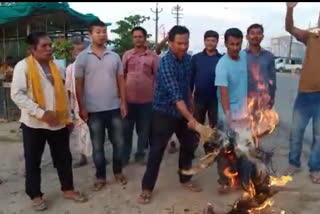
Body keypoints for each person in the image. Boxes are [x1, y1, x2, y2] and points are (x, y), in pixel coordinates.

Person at [11, 31, 87, 211]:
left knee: (64, 158)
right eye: (44, 46)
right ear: (32, 49)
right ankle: (35, 195)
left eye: (50, 45)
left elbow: (64, 94)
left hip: (59, 121)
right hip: (34, 123)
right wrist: (41, 112)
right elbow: (16, 94)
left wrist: (68, 118)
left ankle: (68, 189)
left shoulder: (57, 67)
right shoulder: (23, 67)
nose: (49, 49)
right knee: (33, 161)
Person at [137, 25, 203, 205]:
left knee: (189, 145)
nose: (184, 46)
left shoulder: (189, 61)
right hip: (163, 112)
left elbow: (188, 88)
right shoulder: (165, 63)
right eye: (180, 43)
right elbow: (175, 96)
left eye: (186, 43)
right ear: (171, 42)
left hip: (183, 111)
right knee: (157, 151)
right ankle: (147, 188)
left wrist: (192, 111)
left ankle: (185, 178)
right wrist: (192, 120)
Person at [75, 20, 127, 191]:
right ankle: (100, 177)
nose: (102, 34)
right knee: (98, 146)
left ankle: (118, 171)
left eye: (104, 31)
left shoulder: (114, 56)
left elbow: (121, 80)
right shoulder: (82, 58)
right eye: (98, 31)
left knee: (119, 142)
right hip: (93, 110)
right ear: (90, 34)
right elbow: (78, 85)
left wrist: (123, 102)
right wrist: (82, 107)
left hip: (114, 107)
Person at [285, 2, 320, 184]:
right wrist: (290, 8)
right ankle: (293, 163)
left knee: (319, 136)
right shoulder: (311, 37)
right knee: (296, 131)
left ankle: (315, 169)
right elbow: (289, 27)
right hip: (305, 94)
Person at [215, 28, 248, 193]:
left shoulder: (244, 57)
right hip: (227, 115)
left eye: (238, 44)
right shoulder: (222, 65)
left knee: (243, 149)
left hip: (244, 114)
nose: (235, 48)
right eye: (231, 44)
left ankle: (242, 179)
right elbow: (223, 93)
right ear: (226, 44)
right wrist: (229, 118)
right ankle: (223, 181)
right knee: (225, 149)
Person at [122, 27, 159, 166]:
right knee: (126, 130)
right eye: (135, 37)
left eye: (140, 36)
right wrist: (121, 98)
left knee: (143, 130)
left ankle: (140, 155)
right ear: (132, 39)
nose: (138, 39)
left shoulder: (153, 56)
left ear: (145, 38)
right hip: (128, 100)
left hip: (147, 101)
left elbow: (157, 77)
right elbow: (122, 75)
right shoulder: (127, 55)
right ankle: (125, 156)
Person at [65, 40, 91, 168]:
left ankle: (99, 156)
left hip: (94, 104)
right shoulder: (70, 68)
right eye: (77, 50)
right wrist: (70, 107)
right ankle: (83, 157)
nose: (79, 53)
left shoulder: (93, 65)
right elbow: (69, 88)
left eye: (82, 50)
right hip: (78, 105)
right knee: (81, 131)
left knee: (96, 131)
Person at [190, 30, 223, 129]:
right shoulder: (196, 58)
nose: (210, 43)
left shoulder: (222, 59)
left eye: (213, 41)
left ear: (217, 42)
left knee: (216, 126)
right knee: (197, 126)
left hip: (216, 100)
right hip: (199, 99)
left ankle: (214, 144)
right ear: (204, 41)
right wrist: (190, 97)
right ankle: (195, 144)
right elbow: (190, 79)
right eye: (208, 40)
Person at [245, 24, 276, 110]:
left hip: (263, 99)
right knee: (246, 123)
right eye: (252, 33)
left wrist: (272, 97)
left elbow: (272, 79)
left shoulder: (269, 56)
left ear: (262, 36)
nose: (255, 36)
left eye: (258, 33)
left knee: (263, 122)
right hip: (245, 100)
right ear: (247, 37)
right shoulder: (241, 55)